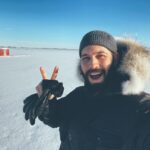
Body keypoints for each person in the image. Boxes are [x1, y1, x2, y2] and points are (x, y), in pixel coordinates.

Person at [23, 30, 150, 150]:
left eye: (101, 56)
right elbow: (57, 117)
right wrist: (48, 101)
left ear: (115, 58)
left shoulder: (138, 106)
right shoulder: (79, 95)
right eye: (86, 58)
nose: (93, 64)